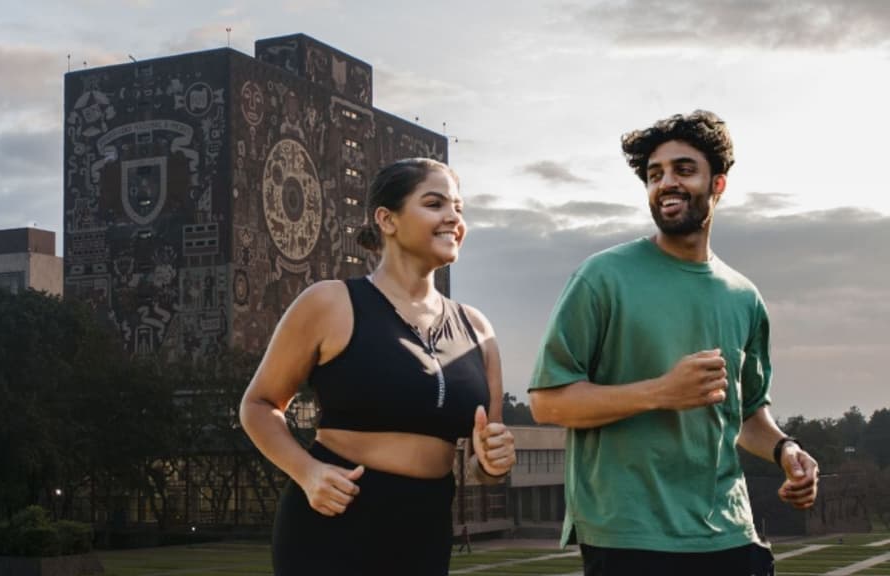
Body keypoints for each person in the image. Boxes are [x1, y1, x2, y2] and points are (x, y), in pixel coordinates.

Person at [527, 110, 819, 576]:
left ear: (717, 185)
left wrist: (787, 451)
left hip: (729, 530)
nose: (666, 183)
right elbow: (548, 403)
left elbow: (747, 414)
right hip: (630, 535)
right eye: (655, 174)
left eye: (683, 170)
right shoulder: (602, 277)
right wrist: (662, 392)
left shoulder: (744, 296)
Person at [240, 158, 516, 575]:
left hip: (426, 532)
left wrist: (493, 463)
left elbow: (484, 463)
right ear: (387, 219)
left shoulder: (478, 329)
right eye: (435, 203)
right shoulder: (330, 303)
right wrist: (308, 472)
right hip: (333, 525)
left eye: (459, 209)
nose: (453, 219)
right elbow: (258, 405)